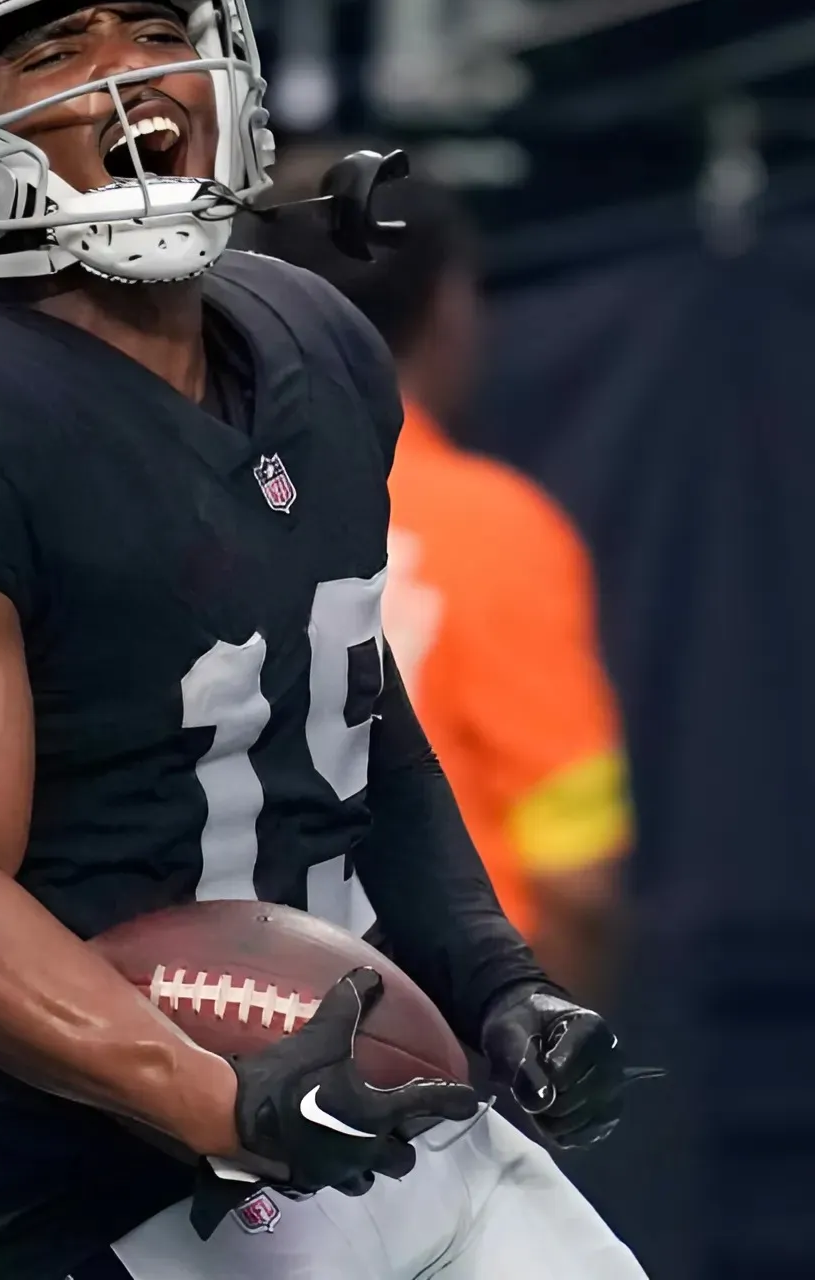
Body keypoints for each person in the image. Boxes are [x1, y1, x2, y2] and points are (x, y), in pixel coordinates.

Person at [0, 0, 651, 1277]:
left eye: (163, 30)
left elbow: (350, 713)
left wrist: (492, 982)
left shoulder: (314, 338)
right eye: (56, 48)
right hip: (123, 1205)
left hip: (391, 1124)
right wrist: (221, 1098)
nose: (136, 83)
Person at [238, 152, 633, 1002]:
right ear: (449, 307)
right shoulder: (496, 529)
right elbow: (576, 871)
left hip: (209, 1026)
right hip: (445, 1034)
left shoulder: (182, 499)